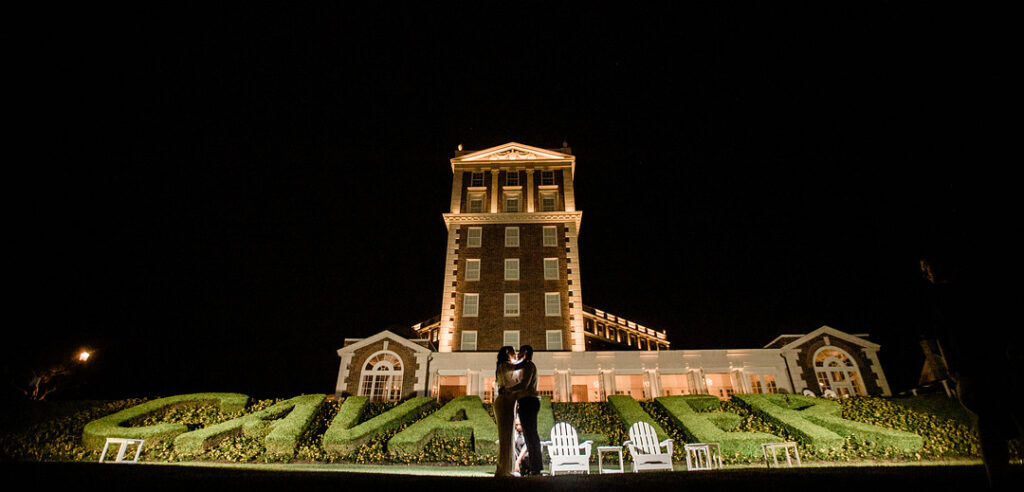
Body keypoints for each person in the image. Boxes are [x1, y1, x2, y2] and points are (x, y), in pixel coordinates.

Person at [511, 344, 542, 476]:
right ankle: (534, 467)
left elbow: (524, 384)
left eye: (521, 352)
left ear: (526, 353)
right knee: (530, 435)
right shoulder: (526, 366)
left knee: (531, 435)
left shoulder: (528, 365)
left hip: (528, 401)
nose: (518, 354)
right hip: (527, 401)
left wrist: (509, 389)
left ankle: (535, 467)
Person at [493, 345, 521, 477]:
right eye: (513, 352)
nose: (515, 354)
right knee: (505, 437)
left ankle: (505, 469)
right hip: (504, 402)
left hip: (509, 402)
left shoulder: (506, 366)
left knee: (509, 436)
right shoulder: (505, 366)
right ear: (507, 353)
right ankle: (503, 470)